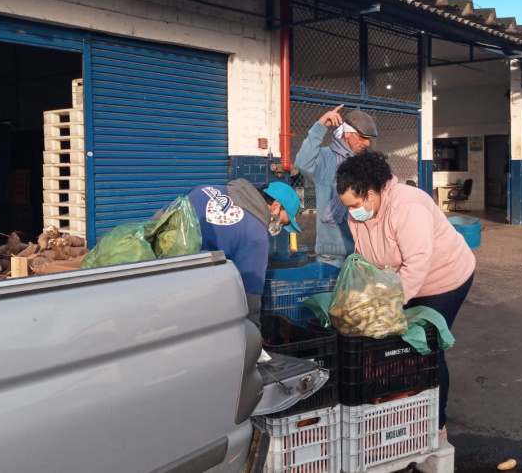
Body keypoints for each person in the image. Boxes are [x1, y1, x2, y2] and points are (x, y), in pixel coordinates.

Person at [335, 151, 475, 442]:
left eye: (356, 204)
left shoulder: (408, 206)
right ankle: (402, 414)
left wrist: (389, 305)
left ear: (372, 194)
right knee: (396, 346)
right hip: (402, 281)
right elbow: (364, 258)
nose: (352, 212)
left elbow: (418, 262)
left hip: (444, 280)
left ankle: (436, 426)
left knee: (427, 348)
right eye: (347, 206)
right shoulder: (357, 214)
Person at [184, 179, 301, 325]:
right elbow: (250, 302)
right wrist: (254, 339)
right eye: (283, 222)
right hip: (190, 298)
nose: (280, 228)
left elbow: (161, 219)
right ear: (276, 207)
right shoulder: (257, 237)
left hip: (159, 273)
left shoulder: (203, 189)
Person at [294, 104, 378, 268]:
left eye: (369, 139)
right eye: (362, 137)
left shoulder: (370, 164)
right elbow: (302, 163)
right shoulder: (326, 158)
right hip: (332, 254)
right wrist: (320, 126)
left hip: (365, 251)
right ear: (347, 133)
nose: (366, 143)